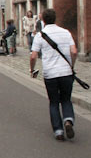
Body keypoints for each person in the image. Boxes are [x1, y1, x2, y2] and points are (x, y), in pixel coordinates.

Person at [30, 8, 77, 141]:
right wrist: (71, 66)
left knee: (54, 102)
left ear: (43, 20)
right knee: (66, 99)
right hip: (66, 72)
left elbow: (33, 56)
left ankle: (58, 131)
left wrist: (32, 70)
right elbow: (74, 51)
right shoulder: (66, 32)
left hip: (50, 73)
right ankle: (68, 120)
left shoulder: (40, 35)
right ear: (55, 18)